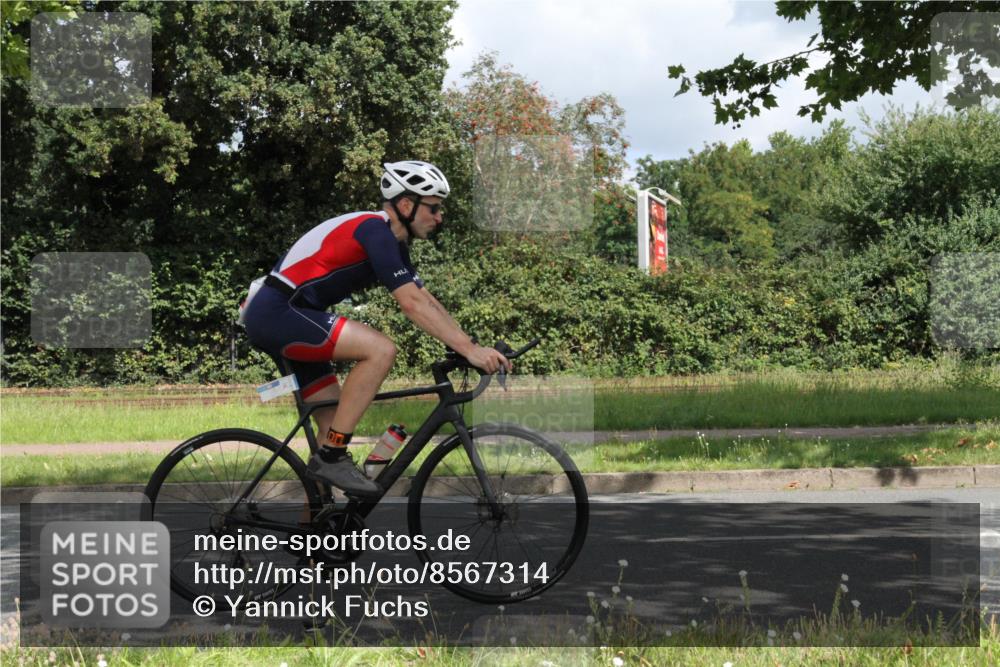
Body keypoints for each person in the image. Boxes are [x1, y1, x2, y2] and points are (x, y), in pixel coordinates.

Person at [242, 160, 511, 496]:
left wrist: (470, 345)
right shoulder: (375, 231)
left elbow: (425, 300)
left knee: (329, 433)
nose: (440, 217)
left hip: (294, 317)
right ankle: (334, 455)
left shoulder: (393, 243)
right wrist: (469, 351)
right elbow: (410, 304)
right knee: (380, 350)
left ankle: (315, 538)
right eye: (434, 207)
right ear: (406, 204)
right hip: (279, 313)